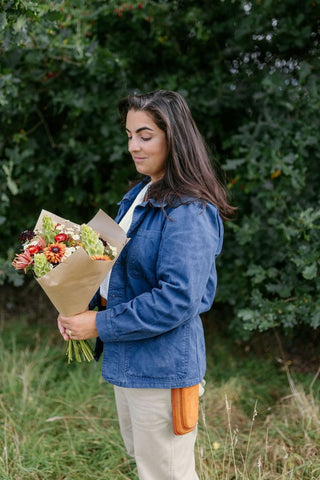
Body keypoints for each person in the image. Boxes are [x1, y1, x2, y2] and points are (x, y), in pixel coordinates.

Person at [58, 89, 235, 480]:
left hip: (163, 366)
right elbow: (115, 270)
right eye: (128, 135)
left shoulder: (190, 210)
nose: (133, 146)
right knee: (147, 465)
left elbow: (177, 299)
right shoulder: (140, 194)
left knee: (167, 473)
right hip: (129, 360)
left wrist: (98, 324)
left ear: (174, 137)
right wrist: (77, 303)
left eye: (144, 135)